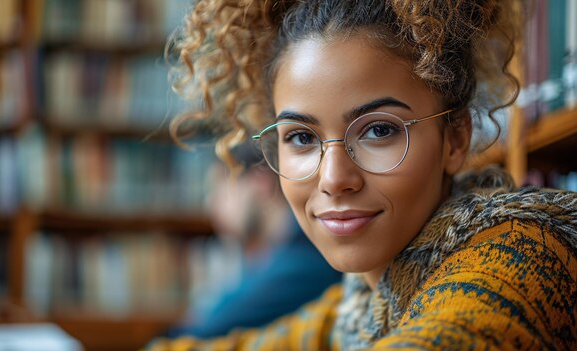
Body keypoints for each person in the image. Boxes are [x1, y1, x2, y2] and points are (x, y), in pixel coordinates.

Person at [148, 0, 577, 350]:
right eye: (300, 137)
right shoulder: (362, 303)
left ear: (455, 138)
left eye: (379, 130)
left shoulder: (525, 252)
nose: (334, 179)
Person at [165, 144, 341, 338]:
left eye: (219, 187)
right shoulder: (274, 252)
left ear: (260, 182)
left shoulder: (305, 257)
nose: (210, 204)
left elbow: (203, 330)